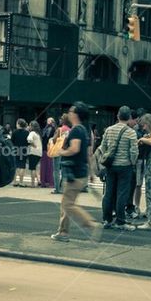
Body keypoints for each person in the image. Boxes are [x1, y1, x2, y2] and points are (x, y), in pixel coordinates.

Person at [49, 102, 101, 242]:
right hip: (79, 172)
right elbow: (88, 154)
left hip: (74, 173)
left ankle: (91, 224)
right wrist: (90, 173)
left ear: (76, 114)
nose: (69, 112)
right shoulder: (83, 129)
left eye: (71, 110)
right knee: (67, 202)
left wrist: (61, 151)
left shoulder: (77, 130)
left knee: (68, 204)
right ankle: (63, 232)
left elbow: (75, 149)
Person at [99, 106, 139, 231]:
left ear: (117, 116)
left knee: (109, 193)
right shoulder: (131, 132)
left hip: (111, 166)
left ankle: (107, 219)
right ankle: (120, 221)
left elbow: (103, 147)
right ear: (129, 118)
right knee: (122, 193)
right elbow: (133, 151)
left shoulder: (109, 130)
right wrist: (132, 162)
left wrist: (107, 160)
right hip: (125, 166)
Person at [51, 115, 70, 194]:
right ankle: (62, 188)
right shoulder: (70, 130)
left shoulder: (59, 129)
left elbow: (54, 140)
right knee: (64, 170)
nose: (60, 119)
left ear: (64, 120)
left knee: (56, 170)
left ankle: (57, 189)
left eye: (61, 118)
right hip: (66, 151)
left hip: (58, 151)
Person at [11, 119, 29, 186]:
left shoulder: (14, 132)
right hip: (24, 150)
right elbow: (28, 142)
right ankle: (21, 182)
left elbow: (11, 142)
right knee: (22, 166)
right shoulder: (27, 133)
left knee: (15, 166)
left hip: (15, 150)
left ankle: (15, 181)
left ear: (18, 124)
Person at [39, 117, 56, 187]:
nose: (48, 121)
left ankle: (50, 182)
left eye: (49, 120)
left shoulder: (54, 129)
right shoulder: (45, 129)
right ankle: (44, 182)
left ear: (52, 121)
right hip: (44, 149)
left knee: (49, 166)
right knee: (44, 166)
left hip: (50, 149)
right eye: (47, 120)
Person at [25, 120, 43, 188]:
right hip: (39, 152)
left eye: (29, 125)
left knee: (32, 168)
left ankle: (32, 183)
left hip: (33, 152)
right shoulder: (38, 134)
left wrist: (33, 145)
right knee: (35, 167)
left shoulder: (32, 133)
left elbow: (29, 139)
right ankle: (38, 181)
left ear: (32, 126)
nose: (28, 127)